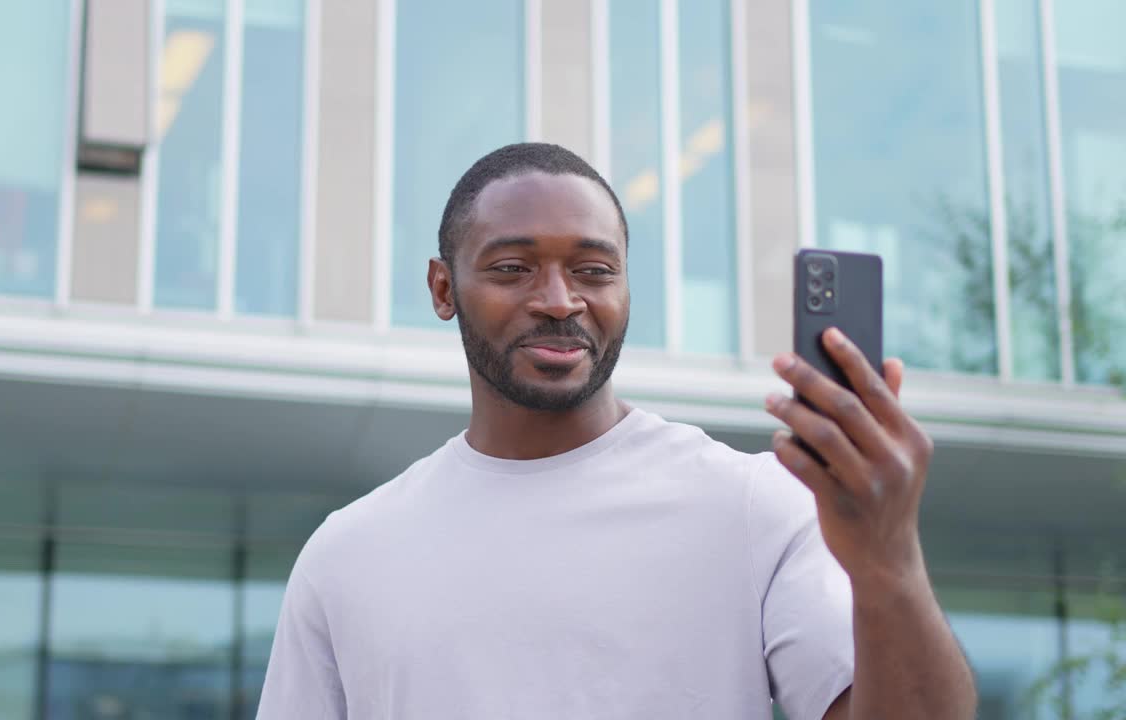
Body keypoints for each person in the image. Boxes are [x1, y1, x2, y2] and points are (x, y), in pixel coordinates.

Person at [254, 143, 976, 719]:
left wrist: (890, 562)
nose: (561, 300)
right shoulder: (347, 553)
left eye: (594, 270)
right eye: (513, 268)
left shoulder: (754, 505)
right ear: (443, 288)